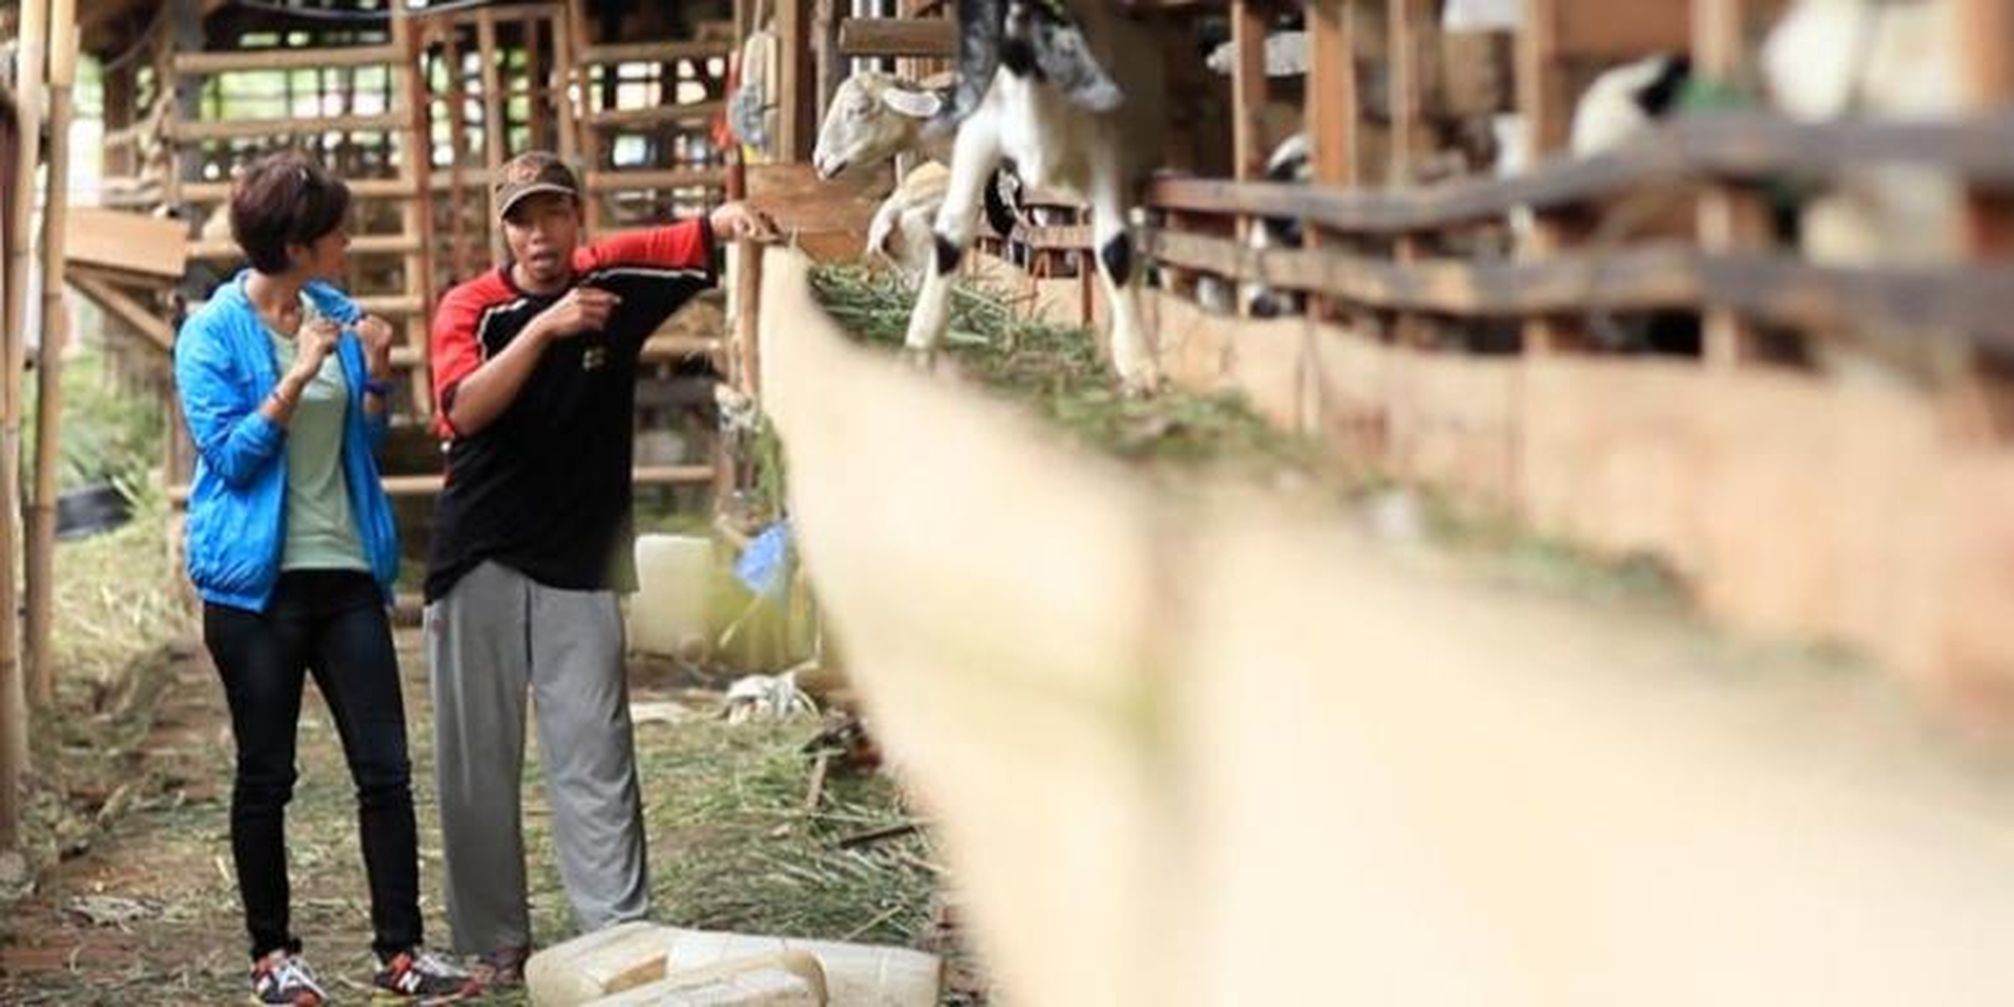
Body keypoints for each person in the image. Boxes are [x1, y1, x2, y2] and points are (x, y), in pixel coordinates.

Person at [424, 151, 776, 983]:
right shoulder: (473, 307)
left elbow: (686, 240)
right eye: (520, 217)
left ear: (576, 218)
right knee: (477, 758)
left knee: (596, 750)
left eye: (552, 213)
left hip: (582, 561)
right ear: (502, 228)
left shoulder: (609, 281)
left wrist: (732, 219)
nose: (538, 233)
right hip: (480, 553)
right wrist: (547, 327)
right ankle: (495, 940)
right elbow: (462, 409)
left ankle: (615, 933)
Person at [174, 151, 478, 1005]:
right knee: (267, 775)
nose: (350, 238)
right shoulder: (211, 332)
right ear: (297, 242)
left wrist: (374, 375)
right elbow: (230, 458)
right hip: (254, 591)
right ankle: (272, 958)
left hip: (345, 572)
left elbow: (365, 445)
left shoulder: (336, 312)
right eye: (337, 229)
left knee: (384, 768)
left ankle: (402, 953)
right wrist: (299, 371)